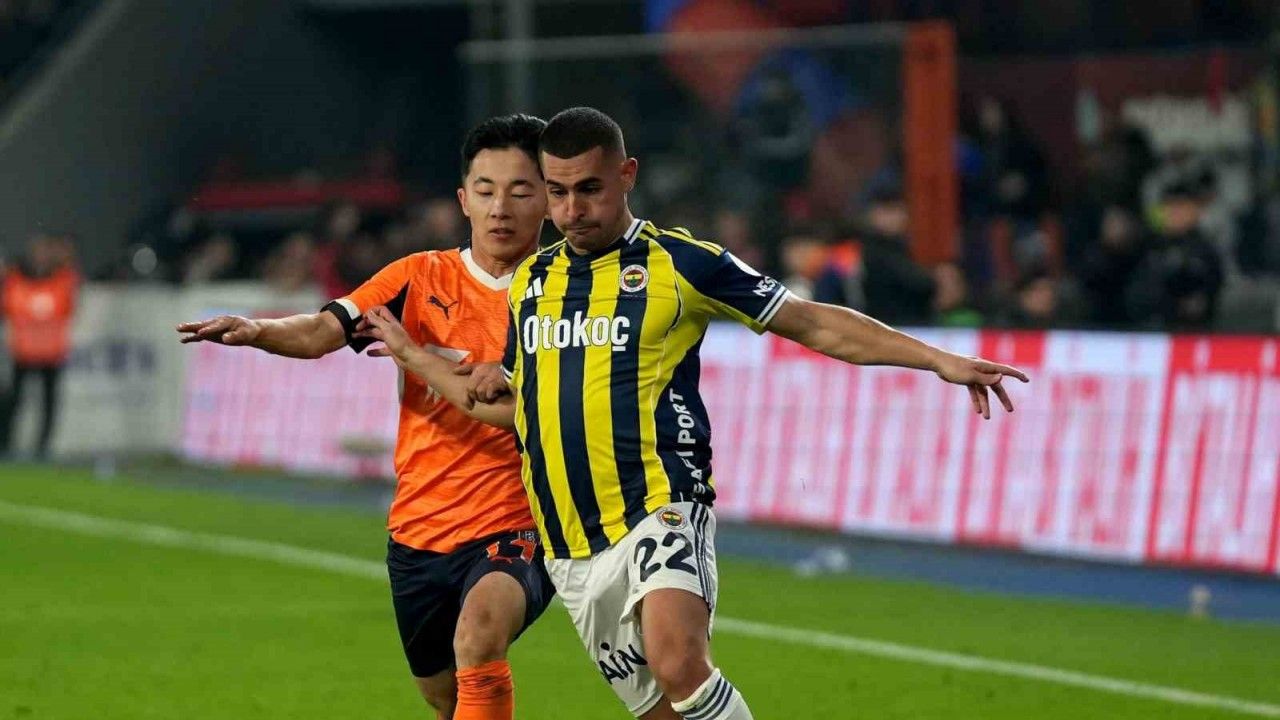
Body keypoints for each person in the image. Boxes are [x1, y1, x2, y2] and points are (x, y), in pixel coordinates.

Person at [360, 107, 1029, 720]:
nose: (570, 210)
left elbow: (810, 321)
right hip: (572, 542)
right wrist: (435, 363)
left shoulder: (681, 264)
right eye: (556, 192)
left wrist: (934, 358)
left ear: (627, 176)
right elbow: (520, 408)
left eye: (589, 189)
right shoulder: (534, 283)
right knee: (669, 712)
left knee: (680, 662)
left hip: (661, 504)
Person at [176, 114, 554, 720]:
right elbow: (321, 330)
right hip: (420, 529)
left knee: (479, 634)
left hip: (520, 521)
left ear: (548, 200)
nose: (501, 208)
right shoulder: (416, 277)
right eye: (486, 190)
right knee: (446, 698)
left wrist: (416, 357)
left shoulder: (566, 295)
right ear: (464, 199)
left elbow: (511, 413)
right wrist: (256, 330)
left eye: (520, 190)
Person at [0, 234, 79, 459]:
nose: (40, 256)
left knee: (49, 403)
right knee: (13, 400)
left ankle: (43, 447)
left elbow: (67, 304)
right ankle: (6, 444)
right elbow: (9, 306)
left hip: (51, 352)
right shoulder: (16, 278)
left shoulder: (62, 278)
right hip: (23, 351)